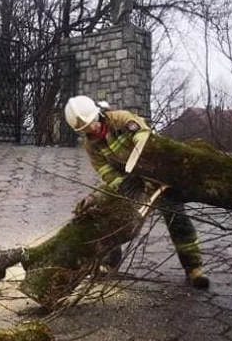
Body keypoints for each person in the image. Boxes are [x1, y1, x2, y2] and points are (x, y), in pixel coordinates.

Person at [64, 95, 210, 288]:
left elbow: (143, 136)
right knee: (117, 218)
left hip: (159, 176)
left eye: (91, 123)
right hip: (131, 182)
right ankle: (109, 262)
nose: (91, 129)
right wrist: (122, 183)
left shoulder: (121, 120)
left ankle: (194, 268)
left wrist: (143, 164)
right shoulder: (91, 146)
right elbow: (104, 170)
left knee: (178, 220)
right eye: (85, 129)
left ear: (97, 114)